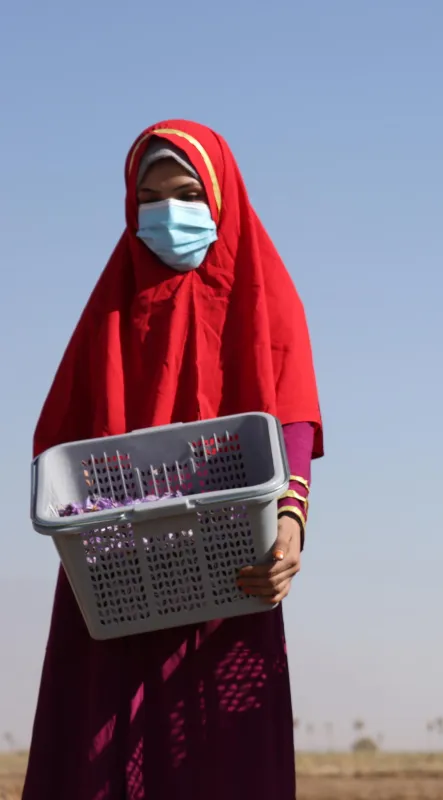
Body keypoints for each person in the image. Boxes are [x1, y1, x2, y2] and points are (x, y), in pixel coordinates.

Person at [22, 120, 323, 799]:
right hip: (119, 583)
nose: (168, 214)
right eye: (149, 199)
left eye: (187, 194)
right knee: (104, 756)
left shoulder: (266, 296)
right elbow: (60, 444)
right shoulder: (112, 305)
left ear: (220, 198)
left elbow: (293, 419)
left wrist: (291, 525)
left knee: (219, 758)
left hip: (229, 572)